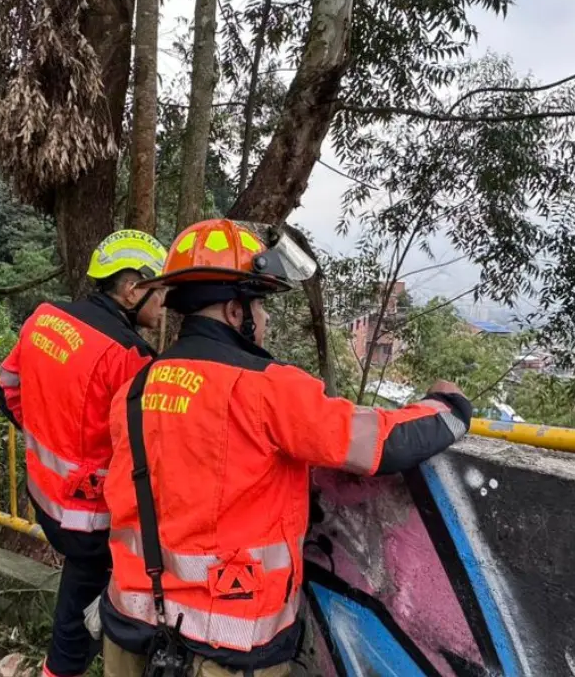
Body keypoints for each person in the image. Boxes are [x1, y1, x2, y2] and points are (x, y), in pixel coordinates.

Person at [99, 219, 473, 676]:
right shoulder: (266, 390)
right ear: (237, 312)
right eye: (260, 304)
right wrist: (447, 407)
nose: (267, 318)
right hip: (225, 647)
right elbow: (382, 443)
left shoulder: (135, 388)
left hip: (129, 626)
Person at [0, 229, 168, 677]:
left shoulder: (45, 318)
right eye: (160, 290)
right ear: (131, 288)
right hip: (90, 516)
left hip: (44, 496)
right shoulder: (130, 355)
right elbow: (147, 451)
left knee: (81, 590)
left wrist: (46, 435)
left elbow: (7, 387)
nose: (163, 304)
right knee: (90, 606)